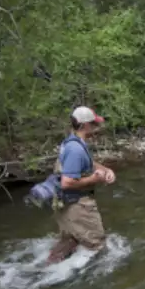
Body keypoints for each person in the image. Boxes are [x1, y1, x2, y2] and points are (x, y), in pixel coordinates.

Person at [46, 106, 116, 265]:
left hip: (65, 204)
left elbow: (86, 164)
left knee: (69, 242)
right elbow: (67, 182)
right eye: (93, 124)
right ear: (85, 125)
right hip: (78, 207)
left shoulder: (72, 142)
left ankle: (45, 269)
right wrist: (94, 180)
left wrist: (106, 170)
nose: (96, 127)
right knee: (98, 247)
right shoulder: (75, 149)